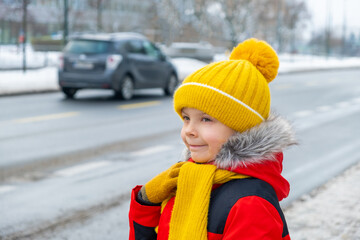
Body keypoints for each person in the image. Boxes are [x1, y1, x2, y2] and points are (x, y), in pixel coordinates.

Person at [128, 38, 296, 240]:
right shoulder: (188, 179)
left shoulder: (250, 204)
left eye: (206, 119)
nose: (189, 130)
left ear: (241, 129)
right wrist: (146, 203)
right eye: (186, 118)